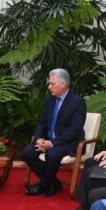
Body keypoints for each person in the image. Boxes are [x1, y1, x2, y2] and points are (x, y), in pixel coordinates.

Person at [22, 68, 87, 197]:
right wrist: (39, 138)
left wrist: (52, 143)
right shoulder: (49, 100)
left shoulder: (77, 102)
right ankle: (53, 183)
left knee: (52, 154)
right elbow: (42, 122)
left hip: (68, 142)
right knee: (27, 153)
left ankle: (44, 185)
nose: (49, 87)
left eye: (52, 84)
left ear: (63, 84)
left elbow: (75, 129)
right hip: (47, 140)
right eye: (49, 83)